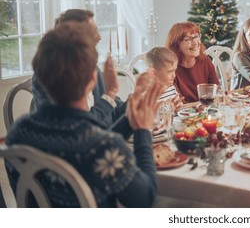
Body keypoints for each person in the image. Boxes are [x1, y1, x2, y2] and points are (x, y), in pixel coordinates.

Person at [5, 22, 163, 207]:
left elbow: (93, 144)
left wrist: (129, 119)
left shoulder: (18, 131)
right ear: (92, 79)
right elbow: (145, 199)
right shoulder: (101, 146)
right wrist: (143, 131)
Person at [32, 9, 126, 128]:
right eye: (93, 32)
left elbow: (113, 111)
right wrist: (108, 97)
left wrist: (137, 100)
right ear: (72, 38)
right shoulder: (47, 78)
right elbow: (74, 129)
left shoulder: (93, 69)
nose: (99, 37)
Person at [165, 22, 219, 103]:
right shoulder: (170, 69)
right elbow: (179, 103)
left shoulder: (205, 60)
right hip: (184, 113)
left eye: (196, 36)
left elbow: (216, 90)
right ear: (176, 46)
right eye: (188, 39)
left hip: (205, 110)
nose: (195, 42)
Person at [145, 47, 183, 111]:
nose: (174, 75)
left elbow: (177, 109)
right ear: (154, 73)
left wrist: (178, 107)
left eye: (174, 70)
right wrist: (168, 108)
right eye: (170, 71)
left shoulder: (171, 87)